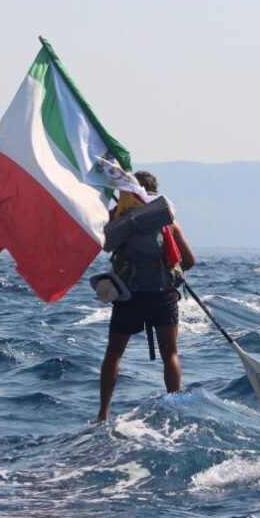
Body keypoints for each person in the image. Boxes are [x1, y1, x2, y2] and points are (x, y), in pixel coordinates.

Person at [96, 171, 196, 422]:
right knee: (170, 355)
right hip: (162, 297)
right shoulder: (167, 223)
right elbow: (189, 261)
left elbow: (105, 244)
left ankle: (103, 413)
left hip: (128, 297)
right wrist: (171, 269)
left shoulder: (119, 223)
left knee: (113, 354)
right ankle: (175, 410)